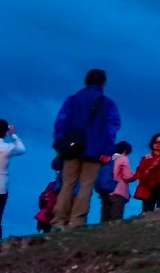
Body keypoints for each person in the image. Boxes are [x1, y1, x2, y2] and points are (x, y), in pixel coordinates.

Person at [49, 68, 121, 230]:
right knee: (86, 185)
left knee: (67, 183)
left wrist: (61, 143)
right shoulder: (108, 104)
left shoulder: (72, 99)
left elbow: (61, 122)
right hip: (95, 150)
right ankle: (77, 220)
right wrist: (107, 150)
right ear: (104, 82)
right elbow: (112, 128)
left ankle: (58, 220)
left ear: (86, 80)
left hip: (72, 148)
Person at [133, 133, 160, 213]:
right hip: (148, 187)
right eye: (155, 142)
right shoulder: (146, 157)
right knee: (146, 212)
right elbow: (139, 173)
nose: (157, 144)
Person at [99, 142, 135, 222]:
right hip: (118, 192)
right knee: (116, 218)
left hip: (105, 191)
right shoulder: (123, 159)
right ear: (126, 150)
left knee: (104, 218)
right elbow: (127, 176)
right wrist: (136, 174)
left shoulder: (108, 159)